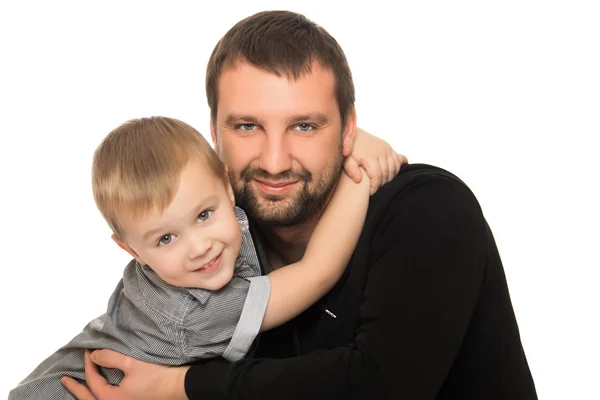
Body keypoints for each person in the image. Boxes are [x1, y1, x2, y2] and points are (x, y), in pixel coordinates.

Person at [62, 10, 538, 400]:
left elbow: (383, 386)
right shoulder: (214, 246)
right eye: (247, 126)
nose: (274, 160)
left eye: (304, 126)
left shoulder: (429, 210)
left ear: (348, 130)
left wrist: (180, 387)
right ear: (214, 136)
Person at [9, 116, 399, 399]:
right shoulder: (195, 311)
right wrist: (356, 167)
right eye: (165, 239)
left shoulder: (228, 212)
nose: (199, 247)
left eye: (203, 215)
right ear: (130, 251)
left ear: (228, 188)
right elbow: (318, 271)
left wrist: (345, 135)